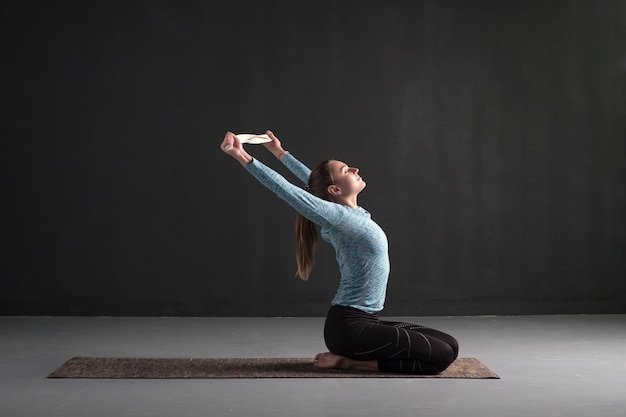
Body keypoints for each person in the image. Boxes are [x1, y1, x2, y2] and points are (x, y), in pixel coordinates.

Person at [220, 130, 459, 374]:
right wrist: (242, 155)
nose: (354, 169)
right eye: (346, 170)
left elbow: (314, 185)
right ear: (335, 190)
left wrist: (280, 153)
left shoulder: (351, 212)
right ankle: (350, 362)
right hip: (350, 330)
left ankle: (350, 358)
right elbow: (289, 191)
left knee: (451, 345)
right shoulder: (338, 217)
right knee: (442, 356)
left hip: (366, 323)